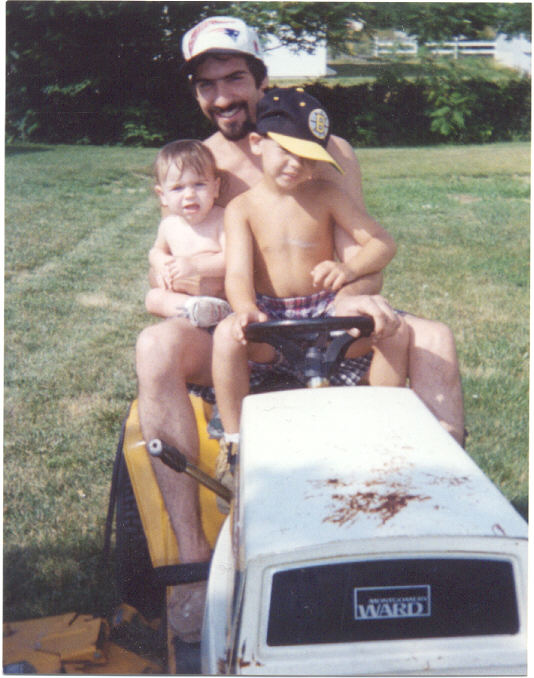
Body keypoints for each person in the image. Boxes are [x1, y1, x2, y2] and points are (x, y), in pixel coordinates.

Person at [135, 16, 464, 643]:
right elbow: (176, 268)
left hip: (325, 314)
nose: (223, 96)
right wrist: (196, 283)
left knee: (435, 338)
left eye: (234, 78)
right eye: (207, 85)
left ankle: (442, 517)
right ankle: (192, 565)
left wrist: (357, 297)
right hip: (243, 330)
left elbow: (360, 254)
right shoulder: (200, 164)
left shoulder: (326, 151)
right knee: (154, 348)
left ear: (261, 79)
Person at [212, 87, 408, 471]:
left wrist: (349, 270)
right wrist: (246, 309)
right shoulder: (241, 208)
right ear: (257, 143)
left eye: (308, 158)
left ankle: (384, 429)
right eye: (288, 151)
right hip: (270, 319)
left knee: (394, 330)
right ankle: (234, 443)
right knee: (224, 337)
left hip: (326, 314)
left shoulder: (327, 194)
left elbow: (382, 243)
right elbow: (236, 273)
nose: (296, 165)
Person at [145, 139, 231, 327]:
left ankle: (215, 312)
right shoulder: (169, 225)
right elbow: (156, 250)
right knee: (152, 298)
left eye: (199, 184)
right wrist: (161, 263)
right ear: (162, 195)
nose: (190, 194)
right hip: (185, 298)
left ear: (215, 188)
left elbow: (232, 259)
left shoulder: (221, 219)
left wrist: (194, 266)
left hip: (220, 297)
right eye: (178, 188)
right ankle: (194, 309)